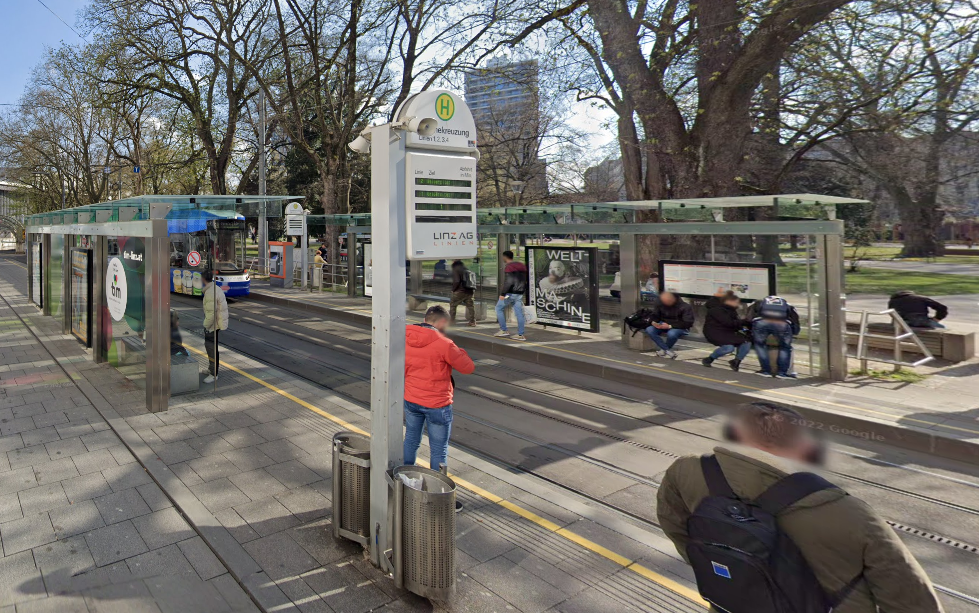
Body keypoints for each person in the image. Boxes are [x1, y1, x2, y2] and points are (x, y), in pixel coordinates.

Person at [657, 402, 944, 613]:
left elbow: (674, 523)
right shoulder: (851, 514)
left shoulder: (686, 471)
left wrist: (725, 567)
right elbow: (913, 602)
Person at [404, 306, 475, 511]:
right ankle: (438, 496)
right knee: (438, 449)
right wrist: (457, 349)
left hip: (412, 398)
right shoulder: (444, 343)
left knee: (411, 439)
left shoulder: (405, 336)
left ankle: (403, 483)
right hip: (437, 404)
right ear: (441, 322)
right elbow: (468, 367)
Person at [748, 295, 800, 379]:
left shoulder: (759, 303)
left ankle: (765, 371)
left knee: (760, 345)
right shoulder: (788, 305)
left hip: (761, 322)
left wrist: (750, 329)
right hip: (782, 323)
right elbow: (795, 319)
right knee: (785, 347)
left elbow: (749, 317)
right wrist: (794, 332)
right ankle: (782, 373)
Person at [702, 291, 751, 371]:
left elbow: (736, 324)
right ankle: (709, 359)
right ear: (728, 301)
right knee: (729, 348)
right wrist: (743, 322)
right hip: (714, 332)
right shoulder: (716, 310)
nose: (738, 304)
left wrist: (745, 329)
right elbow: (728, 323)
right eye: (736, 302)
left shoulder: (731, 310)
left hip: (727, 332)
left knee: (747, 341)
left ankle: (736, 361)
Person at [644, 291, 694, 359]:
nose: (665, 304)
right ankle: (667, 350)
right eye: (664, 302)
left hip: (679, 327)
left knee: (672, 334)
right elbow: (655, 315)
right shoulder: (660, 304)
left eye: (667, 302)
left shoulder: (685, 306)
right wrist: (653, 322)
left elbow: (688, 323)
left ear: (672, 300)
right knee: (649, 329)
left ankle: (664, 350)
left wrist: (669, 326)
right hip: (663, 324)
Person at [201, 270, 229, 383]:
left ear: (203, 279)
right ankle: (211, 369)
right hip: (216, 323)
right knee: (211, 347)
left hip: (213, 325)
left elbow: (211, 313)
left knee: (211, 348)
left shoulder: (210, 293)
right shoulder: (214, 288)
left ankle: (214, 374)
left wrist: (205, 326)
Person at [495, 251, 528, 341]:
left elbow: (508, 281)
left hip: (510, 293)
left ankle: (503, 330)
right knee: (519, 313)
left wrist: (503, 294)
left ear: (505, 257)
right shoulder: (521, 265)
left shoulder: (509, 267)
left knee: (498, 308)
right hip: (520, 293)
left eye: (503, 257)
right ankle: (521, 335)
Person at [450, 260, 476, 327]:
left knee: (453, 305)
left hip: (460, 291)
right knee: (470, 307)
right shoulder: (466, 268)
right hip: (470, 291)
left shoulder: (456, 269)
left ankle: (451, 321)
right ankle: (472, 322)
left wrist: (453, 290)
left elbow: (457, 281)